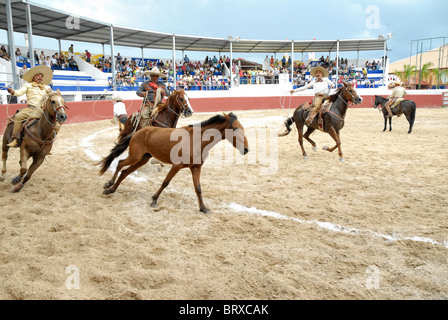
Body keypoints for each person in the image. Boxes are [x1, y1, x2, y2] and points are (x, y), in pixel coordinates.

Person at [6, 65, 54, 148]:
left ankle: (49, 142)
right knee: (18, 116)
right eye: (38, 76)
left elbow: (52, 94)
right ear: (34, 77)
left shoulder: (47, 87)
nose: (40, 77)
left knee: (54, 122)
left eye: (41, 76)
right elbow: (20, 92)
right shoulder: (27, 85)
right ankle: (15, 139)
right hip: (30, 109)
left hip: (43, 110)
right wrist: (13, 91)